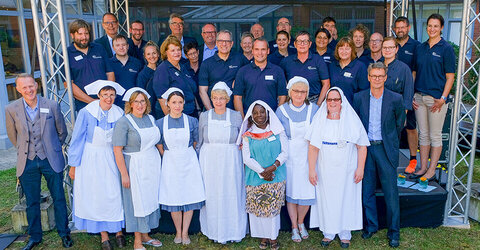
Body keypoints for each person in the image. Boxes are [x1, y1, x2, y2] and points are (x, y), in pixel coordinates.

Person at [5, 74, 73, 250]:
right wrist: (26, 151)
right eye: (24, 87)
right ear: (18, 89)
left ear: (36, 85)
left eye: (31, 86)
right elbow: (14, 137)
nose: (29, 90)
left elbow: (62, 132)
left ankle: (64, 233)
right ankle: (35, 237)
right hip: (27, 161)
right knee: (32, 201)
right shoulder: (11, 109)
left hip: (51, 159)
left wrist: (51, 148)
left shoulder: (51, 105)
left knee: (58, 197)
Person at [307, 87, 369, 248]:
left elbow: (362, 146)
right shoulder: (319, 119)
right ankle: (328, 231)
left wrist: (360, 168)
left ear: (341, 101)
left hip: (348, 168)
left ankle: (344, 233)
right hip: (325, 168)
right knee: (327, 199)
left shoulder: (351, 120)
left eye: (336, 99)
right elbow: (313, 147)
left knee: (347, 198)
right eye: (330, 99)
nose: (333, 102)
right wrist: (312, 169)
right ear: (326, 102)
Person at [68, 80, 126, 250]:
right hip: (90, 158)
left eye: (112, 95)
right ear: (99, 95)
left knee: (114, 192)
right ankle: (103, 235)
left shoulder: (119, 113)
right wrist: (73, 165)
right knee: (96, 194)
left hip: (112, 156)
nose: (108, 98)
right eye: (105, 95)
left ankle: (118, 231)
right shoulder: (86, 112)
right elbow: (77, 140)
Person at [353, 62, 405, 248]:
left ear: (385, 77)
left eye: (380, 76)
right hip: (365, 149)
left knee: (391, 193)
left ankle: (394, 232)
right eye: (373, 76)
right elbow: (356, 124)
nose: (377, 79)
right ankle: (371, 226)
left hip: (385, 148)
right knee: (367, 190)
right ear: (368, 77)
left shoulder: (395, 98)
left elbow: (399, 125)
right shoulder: (359, 98)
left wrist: (390, 142)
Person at [113, 87, 163, 250]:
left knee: (149, 199)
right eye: (136, 101)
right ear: (130, 103)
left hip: (151, 164)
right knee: (136, 202)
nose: (140, 104)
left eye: (143, 101)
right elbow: (117, 149)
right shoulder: (123, 122)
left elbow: (157, 142)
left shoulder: (150, 119)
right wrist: (124, 174)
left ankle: (146, 234)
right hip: (134, 165)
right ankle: (137, 240)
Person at [198, 82, 247, 244]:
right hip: (209, 161)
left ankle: (233, 231)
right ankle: (213, 229)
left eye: (221, 98)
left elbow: (242, 140)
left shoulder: (236, 116)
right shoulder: (204, 116)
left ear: (227, 99)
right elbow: (199, 141)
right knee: (212, 194)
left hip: (231, 161)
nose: (218, 101)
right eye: (215, 98)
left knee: (231, 192)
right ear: (211, 99)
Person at [156, 88, 205, 245]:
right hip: (170, 162)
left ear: (184, 104)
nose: (177, 105)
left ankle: (185, 233)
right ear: (167, 104)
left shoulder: (192, 121)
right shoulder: (160, 123)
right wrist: (169, 155)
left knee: (190, 195)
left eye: (180, 102)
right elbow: (159, 143)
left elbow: (196, 141)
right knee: (174, 196)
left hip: (189, 161)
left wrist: (185, 153)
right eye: (174, 102)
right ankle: (178, 231)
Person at [237, 100, 288, 250]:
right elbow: (246, 158)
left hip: (276, 176)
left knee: (272, 209)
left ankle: (273, 237)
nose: (259, 115)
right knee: (257, 209)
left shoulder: (278, 131)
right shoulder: (247, 135)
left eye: (262, 112)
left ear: (268, 113)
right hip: (254, 177)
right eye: (255, 113)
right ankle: (262, 236)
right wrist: (262, 172)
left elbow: (285, 152)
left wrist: (273, 167)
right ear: (251, 116)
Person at [411, 13, 456, 181]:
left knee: (435, 135)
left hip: (436, 100)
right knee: (423, 134)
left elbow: (450, 77)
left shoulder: (446, 48)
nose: (432, 29)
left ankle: (432, 170)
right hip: (419, 98)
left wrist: (443, 98)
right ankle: (423, 167)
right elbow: (414, 72)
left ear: (442, 28)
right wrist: (412, 95)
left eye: (436, 26)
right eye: (430, 25)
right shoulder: (420, 48)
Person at [275, 77, 318, 243]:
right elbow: (279, 135)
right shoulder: (281, 110)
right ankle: (293, 226)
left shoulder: (314, 109)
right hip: (290, 155)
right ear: (290, 92)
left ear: (307, 93)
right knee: (292, 192)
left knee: (307, 191)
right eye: (296, 91)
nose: (300, 94)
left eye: (303, 91)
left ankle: (301, 223)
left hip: (309, 154)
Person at [64, 19, 114, 111]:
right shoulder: (66, 54)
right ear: (72, 35)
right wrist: (93, 102)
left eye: (86, 33)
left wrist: (108, 96)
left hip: (106, 103)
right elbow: (68, 84)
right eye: (80, 34)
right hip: (84, 106)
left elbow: (110, 73)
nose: (84, 37)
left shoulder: (99, 48)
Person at [382, 37, 415, 173]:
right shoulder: (377, 65)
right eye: (385, 47)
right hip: (378, 112)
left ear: (396, 49)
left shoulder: (404, 69)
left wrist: (403, 116)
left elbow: (408, 94)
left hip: (396, 113)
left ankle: (390, 174)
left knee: (392, 145)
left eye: (390, 47)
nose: (387, 50)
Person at [393, 16, 421, 171]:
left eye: (403, 27)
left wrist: (409, 94)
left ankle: (413, 159)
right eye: (397, 27)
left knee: (410, 127)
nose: (400, 30)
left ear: (408, 28)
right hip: (393, 93)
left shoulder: (416, 46)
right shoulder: (392, 44)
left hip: (408, 94)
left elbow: (415, 71)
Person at [234, 38, 287, 116]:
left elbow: (282, 97)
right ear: (252, 51)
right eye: (256, 49)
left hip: (271, 119)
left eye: (263, 49)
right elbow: (237, 97)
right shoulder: (243, 71)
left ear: (268, 51)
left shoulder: (278, 71)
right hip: (249, 119)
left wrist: (276, 117)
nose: (260, 53)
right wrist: (243, 120)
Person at [199, 30, 249, 110]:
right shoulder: (207, 63)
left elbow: (251, 73)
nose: (224, 44)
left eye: (227, 41)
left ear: (231, 43)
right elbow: (202, 91)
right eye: (221, 41)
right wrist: (211, 111)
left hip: (235, 110)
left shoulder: (240, 58)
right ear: (216, 43)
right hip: (214, 109)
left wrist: (239, 79)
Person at [153, 35, 199, 118]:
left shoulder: (183, 67)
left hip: (191, 113)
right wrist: (172, 121)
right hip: (176, 116)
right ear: (166, 52)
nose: (177, 53)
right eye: (173, 50)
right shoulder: (163, 70)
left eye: (178, 49)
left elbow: (191, 91)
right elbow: (162, 99)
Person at [280, 31, 330, 105]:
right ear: (295, 44)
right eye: (299, 41)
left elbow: (326, 84)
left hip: (313, 101)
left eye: (305, 41)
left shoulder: (318, 60)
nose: (302, 44)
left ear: (310, 44)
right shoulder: (286, 61)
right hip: (292, 102)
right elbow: (281, 82)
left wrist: (318, 105)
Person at [328, 37, 369, 104]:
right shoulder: (332, 66)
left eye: (347, 49)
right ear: (337, 50)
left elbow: (364, 92)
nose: (344, 51)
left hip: (352, 108)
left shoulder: (359, 66)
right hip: (334, 107)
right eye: (341, 48)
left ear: (352, 50)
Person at [110, 34, 143, 108]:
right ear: (113, 48)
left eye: (123, 45)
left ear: (128, 46)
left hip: (134, 105)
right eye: (117, 45)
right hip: (115, 105)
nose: (121, 48)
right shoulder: (109, 64)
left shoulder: (137, 63)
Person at [136, 41, 161, 118]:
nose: (152, 56)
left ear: (158, 54)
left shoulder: (163, 70)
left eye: (154, 53)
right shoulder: (142, 75)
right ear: (145, 56)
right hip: (151, 112)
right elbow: (140, 96)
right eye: (148, 54)